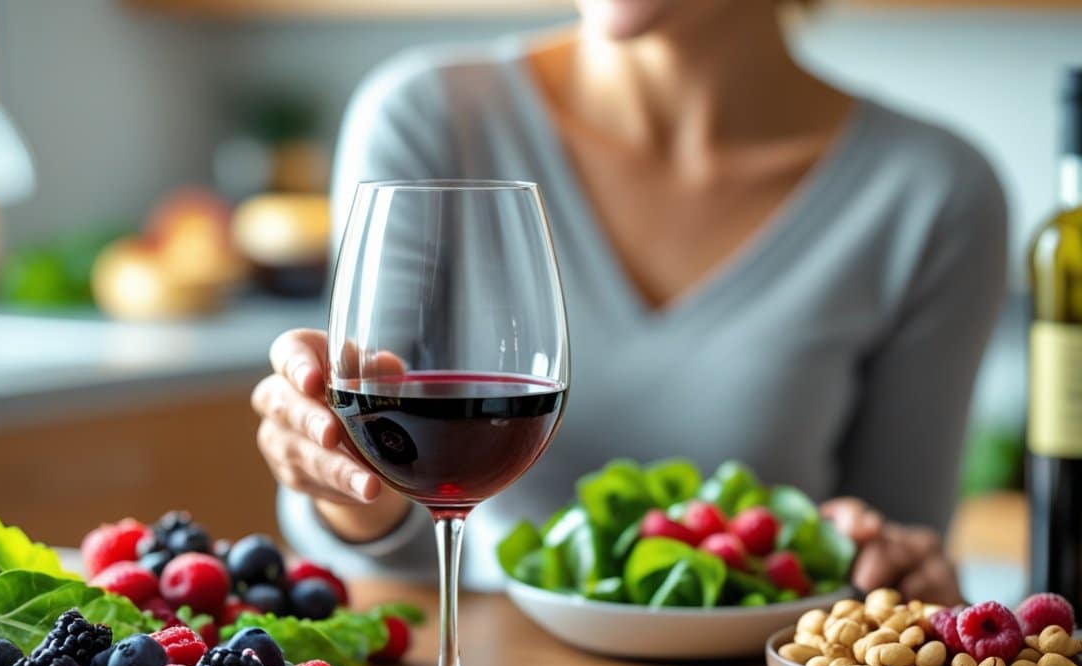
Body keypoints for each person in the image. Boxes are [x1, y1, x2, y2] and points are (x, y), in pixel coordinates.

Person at [251, 0, 1007, 603]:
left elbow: (886, 583)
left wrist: (901, 576)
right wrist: (341, 477)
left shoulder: (933, 194)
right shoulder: (431, 119)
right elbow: (386, 532)